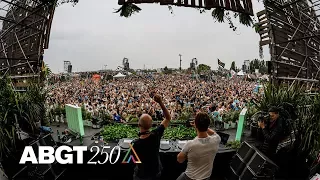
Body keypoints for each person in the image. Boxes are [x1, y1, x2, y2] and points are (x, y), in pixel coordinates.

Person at [132, 94, 172, 180]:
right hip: (155, 173)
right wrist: (160, 102)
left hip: (141, 175)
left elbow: (134, 160)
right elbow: (168, 118)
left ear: (139, 124)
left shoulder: (135, 144)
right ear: (151, 125)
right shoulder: (156, 134)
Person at [176, 112, 221, 180]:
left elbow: (179, 160)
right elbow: (213, 133)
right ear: (208, 125)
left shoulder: (190, 144)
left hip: (190, 177)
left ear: (196, 125)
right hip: (206, 177)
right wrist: (202, 126)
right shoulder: (217, 139)